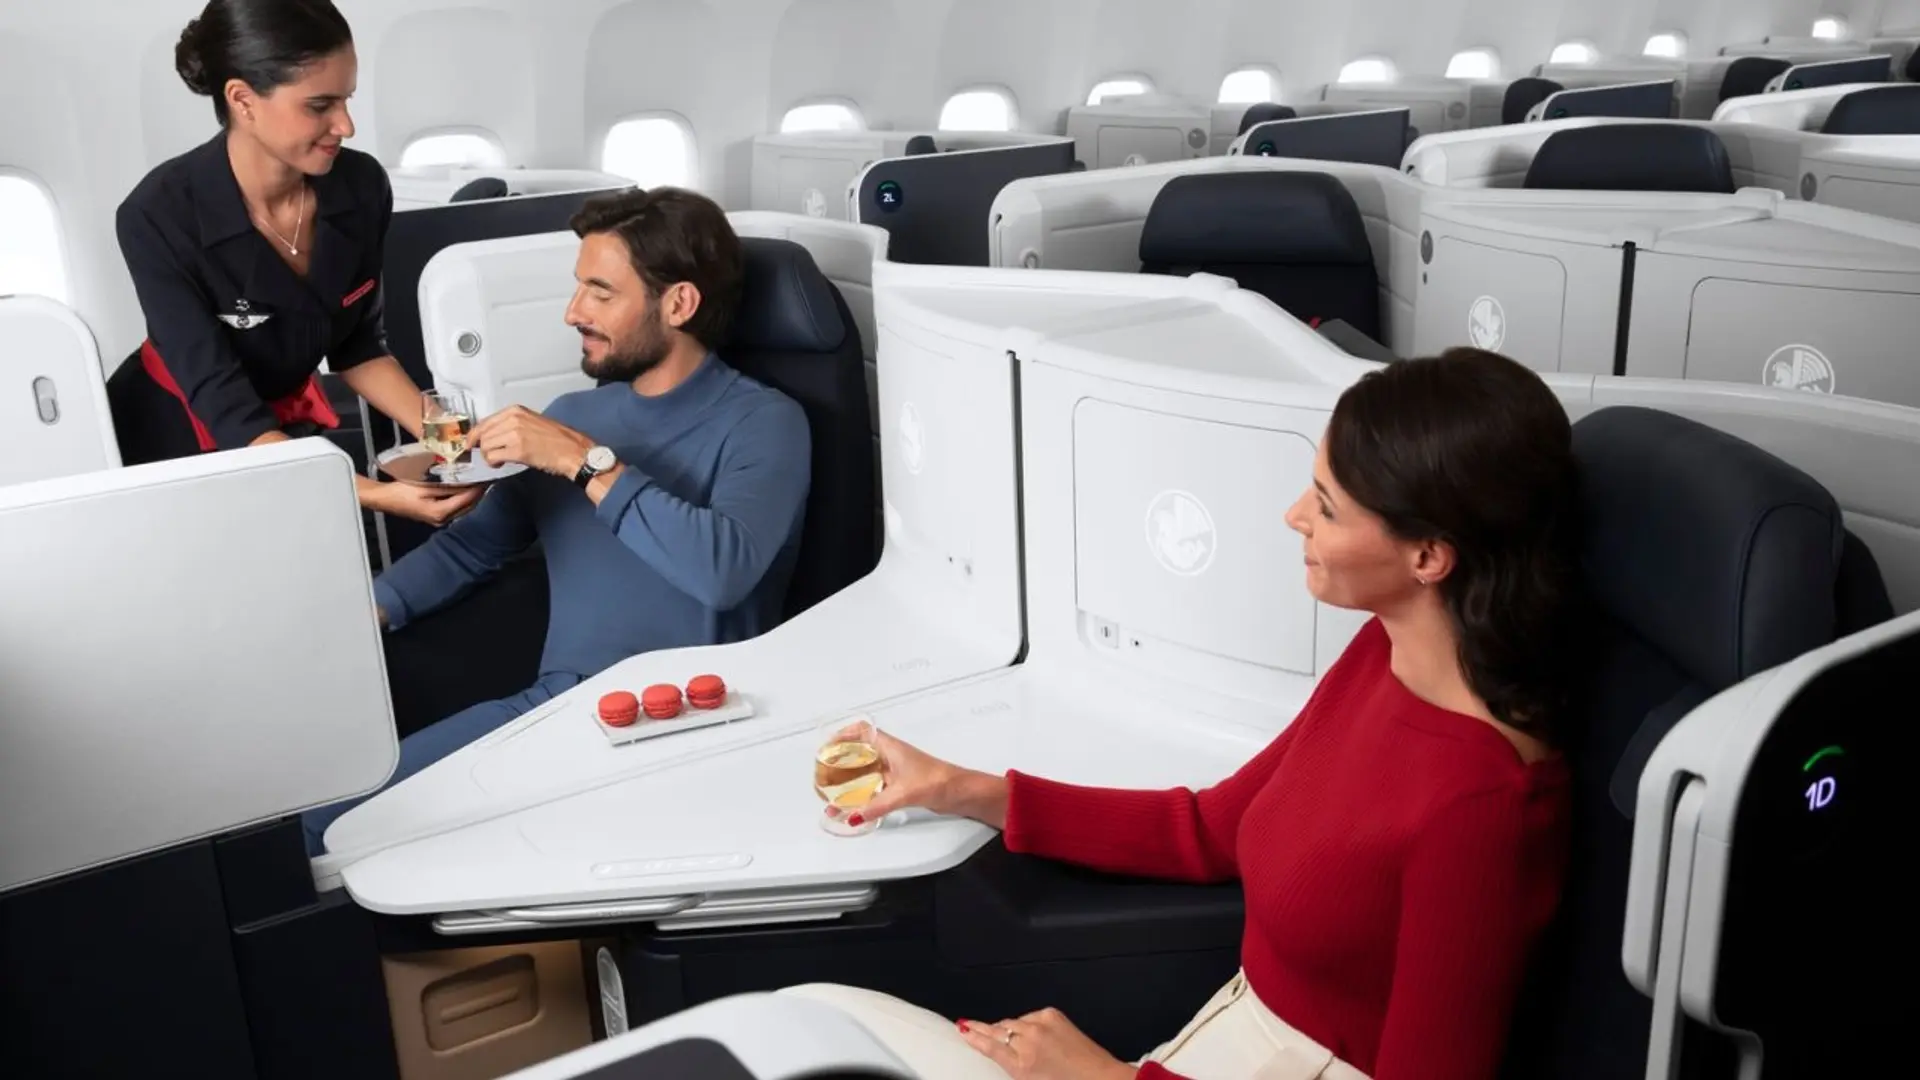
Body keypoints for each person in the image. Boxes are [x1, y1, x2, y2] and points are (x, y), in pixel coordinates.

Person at [777, 349, 1589, 1080]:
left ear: (1427, 555)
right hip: (1202, 1049)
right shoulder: (1382, 657)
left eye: (1329, 506)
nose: (1294, 517)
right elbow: (1211, 828)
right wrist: (961, 788)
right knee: (815, 1015)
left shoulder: (1483, 809)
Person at [302, 187, 812, 853]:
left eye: (600, 293)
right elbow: (469, 552)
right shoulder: (576, 413)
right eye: (578, 290)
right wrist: (353, 620)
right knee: (323, 821)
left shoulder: (764, 421)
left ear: (679, 304)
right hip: (559, 710)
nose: (574, 313)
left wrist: (581, 461)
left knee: (349, 833)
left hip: (676, 722)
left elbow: (722, 571)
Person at [107, 0, 478, 527]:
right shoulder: (157, 215)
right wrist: (376, 494)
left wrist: (458, 442)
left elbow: (357, 346)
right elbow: (223, 401)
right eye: (319, 105)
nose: (345, 125)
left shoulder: (361, 186)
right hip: (174, 437)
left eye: (347, 99)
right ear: (242, 99)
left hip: (285, 434)